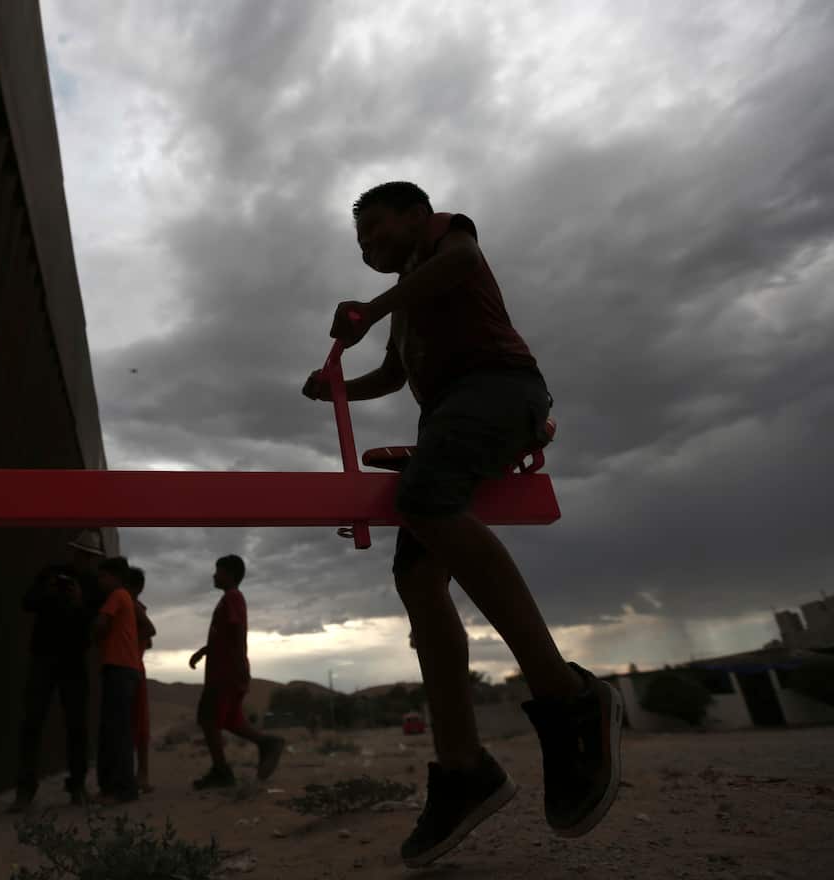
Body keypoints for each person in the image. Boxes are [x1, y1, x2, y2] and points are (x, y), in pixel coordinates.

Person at [302, 181, 623, 866]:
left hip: (501, 392)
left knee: (423, 504)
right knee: (417, 580)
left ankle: (569, 698)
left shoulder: (447, 241)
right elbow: (392, 374)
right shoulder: (407, 306)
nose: (368, 245)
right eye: (359, 241)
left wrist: (371, 308)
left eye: (377, 228)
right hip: (449, 416)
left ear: (418, 216)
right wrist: (338, 386)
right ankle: (463, 768)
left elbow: (462, 264)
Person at [7, 529, 105, 812]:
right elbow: (27, 603)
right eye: (82, 554)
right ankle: (25, 790)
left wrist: (78, 603)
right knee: (32, 722)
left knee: (77, 725)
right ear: (74, 552)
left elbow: (95, 626)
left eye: (90, 556)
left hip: (74, 660)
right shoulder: (50, 574)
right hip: (43, 657)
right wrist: (48, 591)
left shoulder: (94, 587)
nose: (84, 560)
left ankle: (77, 786)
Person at [188, 554, 285, 789]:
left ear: (229, 574)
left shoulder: (232, 598)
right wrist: (205, 651)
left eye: (218, 570)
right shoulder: (230, 598)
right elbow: (226, 635)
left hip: (226, 673)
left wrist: (236, 663)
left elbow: (235, 630)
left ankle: (222, 771)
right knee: (230, 719)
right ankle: (267, 743)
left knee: (209, 719)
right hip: (226, 670)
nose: (214, 575)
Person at [93, 556, 142, 804]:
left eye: (103, 576)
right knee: (113, 729)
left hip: (120, 668)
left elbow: (101, 624)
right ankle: (112, 787)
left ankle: (124, 789)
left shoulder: (117, 595)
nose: (100, 581)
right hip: (123, 668)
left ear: (114, 577)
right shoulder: (126, 598)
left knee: (118, 731)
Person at [126, 565, 157, 793]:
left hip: (131, 667)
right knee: (136, 723)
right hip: (135, 666)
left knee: (136, 723)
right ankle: (140, 775)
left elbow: (149, 635)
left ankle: (142, 775)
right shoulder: (135, 607)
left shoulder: (134, 608)